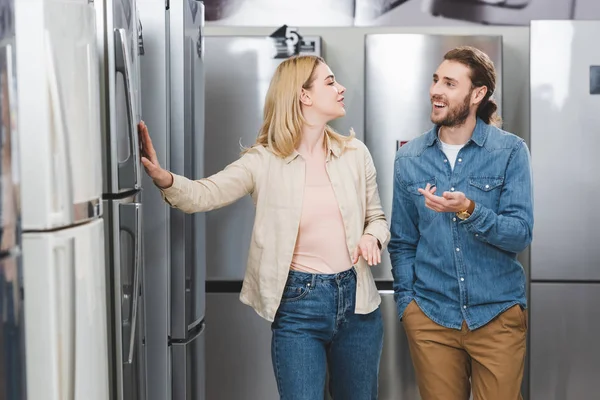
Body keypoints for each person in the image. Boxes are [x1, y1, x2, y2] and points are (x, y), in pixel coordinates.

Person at [139, 55, 390, 400]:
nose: (341, 87)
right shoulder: (263, 161)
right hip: (299, 307)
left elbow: (376, 218)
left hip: (359, 306)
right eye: (330, 82)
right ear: (303, 95)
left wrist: (371, 236)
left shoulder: (354, 153)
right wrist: (165, 179)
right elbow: (204, 194)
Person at [388, 46, 533, 400]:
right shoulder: (409, 158)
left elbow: (520, 234)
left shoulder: (511, 151)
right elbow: (403, 241)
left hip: (496, 316)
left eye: (450, 83)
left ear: (477, 94)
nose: (436, 90)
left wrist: (470, 209)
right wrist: (408, 305)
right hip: (431, 318)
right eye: (436, 80)